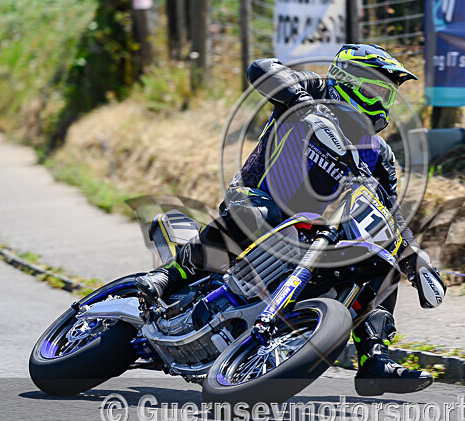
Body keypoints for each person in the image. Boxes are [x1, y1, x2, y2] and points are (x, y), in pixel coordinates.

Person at [137, 44, 446, 396]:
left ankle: (374, 359)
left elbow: (391, 214)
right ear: (348, 80)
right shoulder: (313, 90)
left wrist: (416, 260)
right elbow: (262, 67)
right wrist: (300, 101)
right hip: (258, 199)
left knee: (381, 261)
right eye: (375, 89)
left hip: (315, 233)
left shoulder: (379, 154)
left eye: (387, 94)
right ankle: (170, 275)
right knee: (261, 213)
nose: (381, 100)